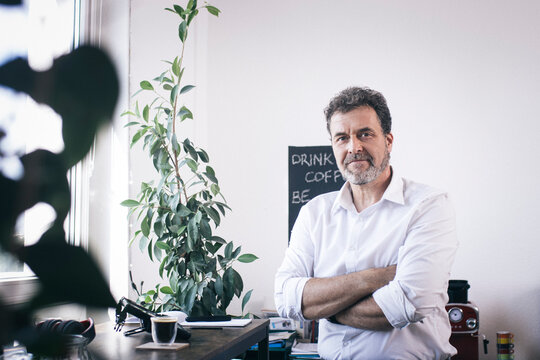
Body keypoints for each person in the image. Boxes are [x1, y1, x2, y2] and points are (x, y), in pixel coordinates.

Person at [274, 87, 458, 359]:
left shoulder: (428, 206)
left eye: (365, 134)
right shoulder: (314, 213)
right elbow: (286, 298)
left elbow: (408, 304)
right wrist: (378, 277)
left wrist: (325, 308)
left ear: (388, 141)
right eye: (341, 138)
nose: (353, 147)